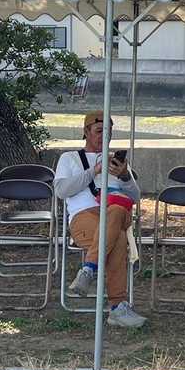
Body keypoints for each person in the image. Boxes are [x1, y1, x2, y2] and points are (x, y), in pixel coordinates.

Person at [54, 110, 145, 328]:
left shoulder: (117, 163)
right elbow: (61, 190)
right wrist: (94, 171)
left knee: (116, 210)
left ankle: (88, 269)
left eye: (109, 132)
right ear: (86, 132)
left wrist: (124, 176)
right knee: (118, 240)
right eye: (99, 131)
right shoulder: (69, 158)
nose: (105, 136)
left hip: (116, 213)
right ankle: (117, 308)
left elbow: (135, 197)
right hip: (85, 216)